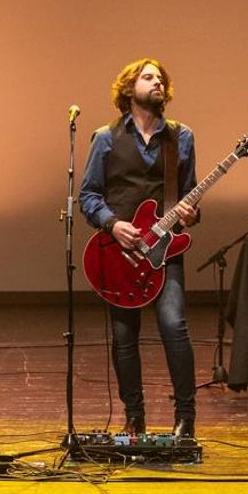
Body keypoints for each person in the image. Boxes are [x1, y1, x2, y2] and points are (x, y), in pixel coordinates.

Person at [78, 58, 198, 437]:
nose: (157, 82)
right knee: (124, 337)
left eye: (160, 78)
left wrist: (191, 214)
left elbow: (189, 196)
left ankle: (186, 419)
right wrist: (113, 225)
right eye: (148, 77)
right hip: (119, 254)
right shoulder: (106, 138)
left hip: (164, 250)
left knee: (174, 326)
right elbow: (88, 195)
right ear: (130, 89)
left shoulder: (181, 137)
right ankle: (135, 416)